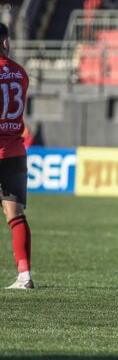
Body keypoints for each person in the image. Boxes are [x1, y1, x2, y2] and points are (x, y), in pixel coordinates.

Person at [0, 22, 33, 290]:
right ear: (6, 43)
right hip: (14, 152)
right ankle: (25, 275)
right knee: (15, 215)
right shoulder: (21, 73)